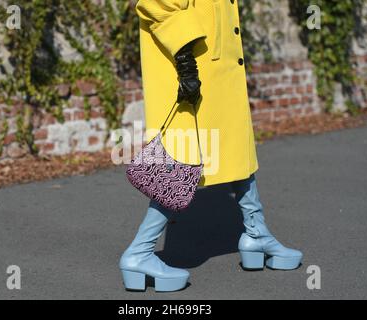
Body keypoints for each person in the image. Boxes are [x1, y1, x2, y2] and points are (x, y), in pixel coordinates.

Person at [119, 0, 303, 292]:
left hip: (216, 71)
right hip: (193, 71)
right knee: (180, 164)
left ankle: (257, 232)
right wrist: (185, 63)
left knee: (235, 149)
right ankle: (139, 252)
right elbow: (157, 4)